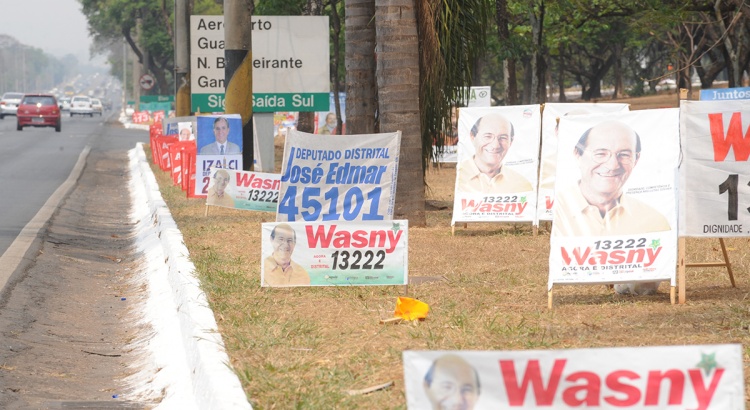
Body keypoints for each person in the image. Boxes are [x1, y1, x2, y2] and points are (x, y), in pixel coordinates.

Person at [552, 120, 671, 295]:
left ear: (636, 159)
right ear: (577, 154)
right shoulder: (560, 210)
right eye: (600, 154)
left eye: (623, 155)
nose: (612, 165)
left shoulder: (654, 221)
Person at [456, 113, 532, 193]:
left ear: (511, 141)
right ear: (473, 137)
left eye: (503, 138)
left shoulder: (522, 185)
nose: (495, 145)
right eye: (487, 136)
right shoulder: (458, 177)